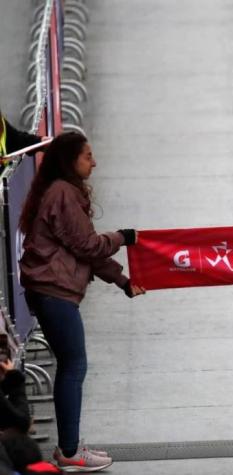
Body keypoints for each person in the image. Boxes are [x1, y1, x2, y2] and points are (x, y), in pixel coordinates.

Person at [19, 131, 146, 472]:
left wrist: (122, 281)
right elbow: (89, 246)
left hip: (50, 290)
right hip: (54, 291)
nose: (94, 162)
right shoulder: (63, 193)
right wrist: (122, 237)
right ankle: (70, 450)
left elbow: (81, 249)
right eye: (88, 156)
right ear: (70, 160)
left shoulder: (60, 192)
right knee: (74, 366)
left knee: (72, 365)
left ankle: (70, 446)